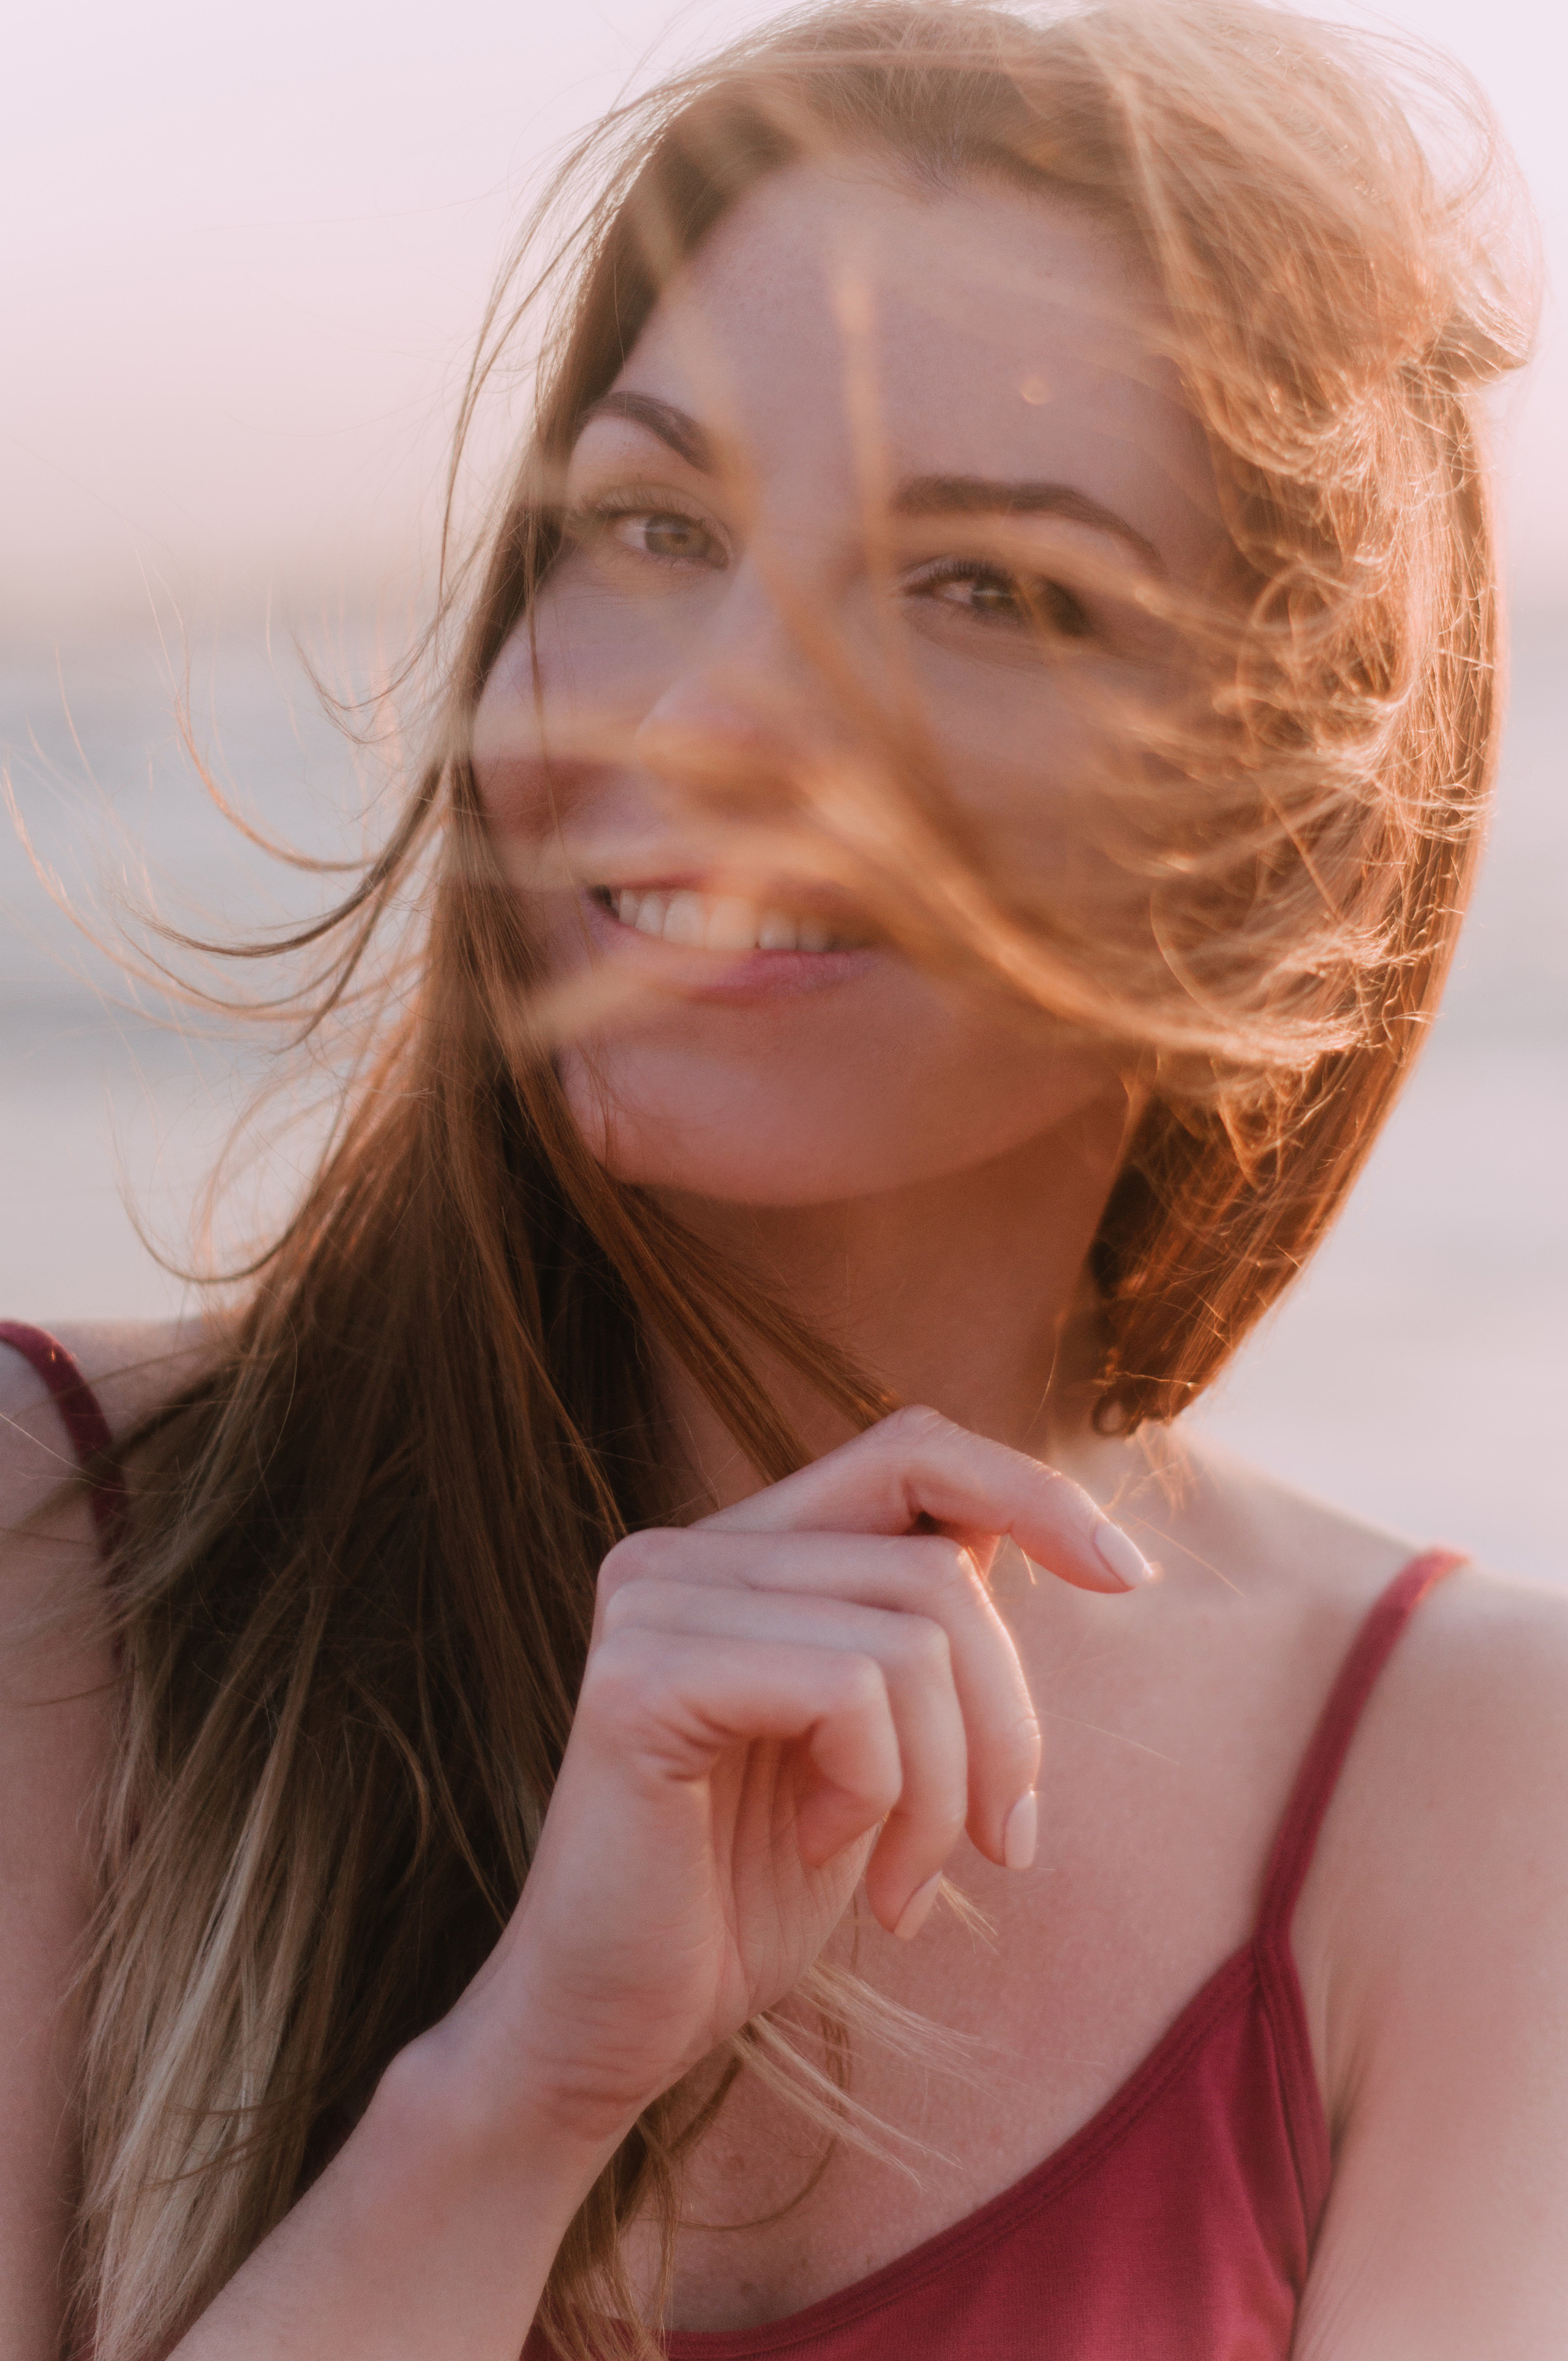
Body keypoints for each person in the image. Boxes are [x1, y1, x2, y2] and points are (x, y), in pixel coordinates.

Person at [2, 2, 1562, 2355]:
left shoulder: (1474, 1801)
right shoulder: (58, 1571)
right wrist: (516, 2100)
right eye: (656, 524)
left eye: (990, 592)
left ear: (1281, 845)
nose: (716, 713)